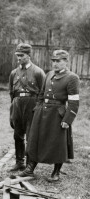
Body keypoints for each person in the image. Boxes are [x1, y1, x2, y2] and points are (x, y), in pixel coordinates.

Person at [21, 50, 80, 182]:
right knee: (35, 139)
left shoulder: (72, 78)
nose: (55, 64)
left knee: (58, 143)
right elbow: (41, 94)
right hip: (42, 112)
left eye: (58, 61)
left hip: (58, 114)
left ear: (66, 61)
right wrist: (38, 108)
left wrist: (68, 119)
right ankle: (30, 168)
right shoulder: (49, 74)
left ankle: (56, 172)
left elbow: (74, 102)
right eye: (53, 61)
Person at [8, 43, 45, 171]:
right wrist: (13, 108)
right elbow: (11, 92)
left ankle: (30, 165)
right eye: (17, 55)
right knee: (17, 135)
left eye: (21, 55)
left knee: (31, 136)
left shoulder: (38, 72)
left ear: (28, 55)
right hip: (18, 104)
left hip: (32, 104)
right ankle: (19, 162)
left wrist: (38, 109)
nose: (18, 58)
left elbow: (43, 92)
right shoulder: (14, 73)